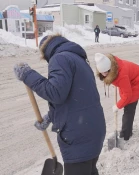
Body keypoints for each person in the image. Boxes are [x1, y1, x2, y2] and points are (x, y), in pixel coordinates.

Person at [13, 34, 106, 175]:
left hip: (79, 137)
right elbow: (76, 98)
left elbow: (55, 93)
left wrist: (27, 75)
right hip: (92, 131)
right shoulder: (78, 59)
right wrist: (50, 117)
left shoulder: (59, 59)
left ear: (45, 53)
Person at [94, 53, 139, 141]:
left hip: (137, 82)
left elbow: (128, 95)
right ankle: (127, 132)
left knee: (129, 109)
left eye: (106, 72)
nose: (104, 74)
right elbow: (124, 87)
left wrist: (118, 105)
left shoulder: (122, 75)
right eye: (102, 73)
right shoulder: (112, 65)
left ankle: (125, 135)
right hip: (130, 79)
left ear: (110, 68)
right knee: (126, 99)